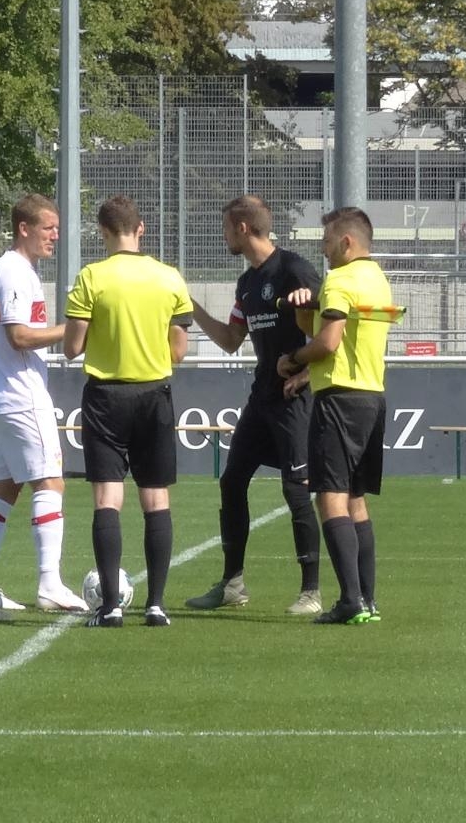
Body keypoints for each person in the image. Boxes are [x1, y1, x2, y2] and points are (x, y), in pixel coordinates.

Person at [184, 196, 324, 616]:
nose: (223, 236)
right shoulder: (247, 282)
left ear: (242, 228)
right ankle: (232, 584)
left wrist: (305, 373)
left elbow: (330, 328)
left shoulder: (294, 269)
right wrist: (190, 307)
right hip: (262, 396)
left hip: (294, 397)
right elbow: (231, 341)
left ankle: (312, 591)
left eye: (226, 228)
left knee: (296, 488)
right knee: (231, 482)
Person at [63, 195, 194, 627]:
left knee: (108, 499)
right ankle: (156, 605)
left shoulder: (91, 277)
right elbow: (178, 350)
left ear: (103, 232)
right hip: (154, 394)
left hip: (106, 396)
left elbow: (72, 347)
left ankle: (111, 607)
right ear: (141, 230)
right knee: (156, 499)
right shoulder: (169, 277)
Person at [277, 207, 392, 625]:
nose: (323, 251)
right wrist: (303, 311)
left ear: (346, 242)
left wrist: (292, 360)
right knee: (355, 500)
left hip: (339, 399)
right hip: (371, 396)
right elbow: (337, 335)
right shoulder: (377, 279)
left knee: (330, 498)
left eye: (326, 242)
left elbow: (327, 343)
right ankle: (367, 600)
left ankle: (349, 601)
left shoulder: (340, 279)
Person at [0, 194, 88, 613]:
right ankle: (49, 583)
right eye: (48, 228)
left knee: (3, 490)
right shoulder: (14, 271)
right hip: (21, 397)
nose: (55, 236)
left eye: (56, 228)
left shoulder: (15, 270)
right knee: (51, 483)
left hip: (3, 396)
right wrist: (74, 328)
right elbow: (19, 336)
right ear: (24, 228)